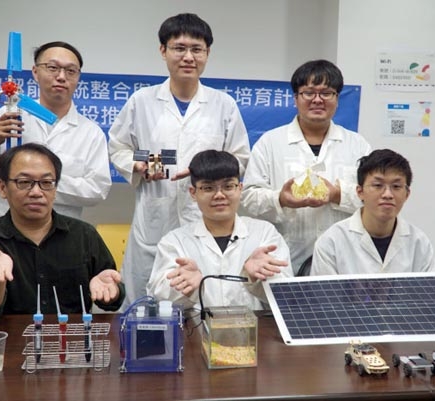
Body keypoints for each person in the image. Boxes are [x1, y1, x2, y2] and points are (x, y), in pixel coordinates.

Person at [108, 13, 250, 309]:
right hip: (154, 218)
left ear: (207, 53)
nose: (188, 57)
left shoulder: (223, 105)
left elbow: (239, 157)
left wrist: (208, 172)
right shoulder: (141, 101)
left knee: (204, 300)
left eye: (197, 49)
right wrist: (138, 166)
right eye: (179, 48)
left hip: (206, 220)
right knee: (148, 303)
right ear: (163, 50)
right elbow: (118, 147)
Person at [0, 143, 124, 322]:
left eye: (46, 183)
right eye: (24, 182)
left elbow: (112, 301)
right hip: (7, 336)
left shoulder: (84, 235)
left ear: (55, 189)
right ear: (2, 187)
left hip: (70, 335)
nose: (36, 192)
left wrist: (111, 291)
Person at [241, 59, 372, 274]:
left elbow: (373, 197)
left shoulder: (357, 145)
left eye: (326, 93)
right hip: (285, 258)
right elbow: (248, 198)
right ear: (296, 98)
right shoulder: (270, 142)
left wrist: (338, 194)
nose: (317, 100)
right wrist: (281, 199)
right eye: (309, 93)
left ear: (337, 99)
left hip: (344, 259)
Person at [0, 41, 112, 223]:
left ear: (78, 77)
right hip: (4, 227)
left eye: (70, 71)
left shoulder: (91, 133)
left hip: (61, 231)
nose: (61, 77)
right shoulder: (8, 115)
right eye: (52, 68)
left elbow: (97, 190)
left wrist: (38, 184)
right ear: (35, 72)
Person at [146, 150, 292, 312]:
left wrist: (256, 278)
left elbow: (287, 296)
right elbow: (158, 298)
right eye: (208, 188)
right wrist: (187, 289)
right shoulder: (174, 242)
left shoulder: (265, 234)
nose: (219, 195)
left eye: (228, 186)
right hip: (196, 327)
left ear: (240, 188)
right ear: (193, 193)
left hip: (254, 326)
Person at [311, 149, 435, 275]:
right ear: (360, 192)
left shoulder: (419, 243)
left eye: (396, 186)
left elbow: (433, 289)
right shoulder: (331, 242)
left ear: (407, 194)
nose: (388, 194)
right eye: (378, 185)